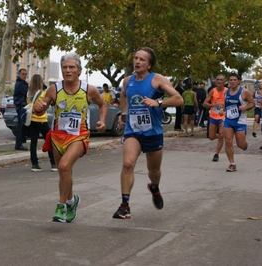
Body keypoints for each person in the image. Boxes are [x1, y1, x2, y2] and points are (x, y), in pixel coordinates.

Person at [33, 52, 107, 223]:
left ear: (79, 70)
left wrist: (102, 121)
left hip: (79, 135)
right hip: (58, 136)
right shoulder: (54, 89)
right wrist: (40, 107)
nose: (68, 70)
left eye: (71, 67)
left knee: (65, 166)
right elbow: (41, 109)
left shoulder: (89, 89)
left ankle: (61, 206)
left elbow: (103, 104)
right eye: (65, 67)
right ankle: (72, 201)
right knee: (64, 172)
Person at [113, 47, 183, 219]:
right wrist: (123, 113)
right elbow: (123, 95)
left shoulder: (157, 79)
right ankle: (124, 205)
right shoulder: (127, 81)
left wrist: (158, 102)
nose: (137, 62)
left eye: (142, 59)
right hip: (133, 131)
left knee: (154, 171)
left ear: (149, 65)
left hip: (153, 132)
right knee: (128, 163)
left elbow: (179, 99)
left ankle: (155, 187)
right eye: (136, 58)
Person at [223, 73, 254, 172]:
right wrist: (221, 110)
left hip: (240, 121)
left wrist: (245, 108)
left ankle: (244, 144)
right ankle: (232, 164)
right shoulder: (226, 92)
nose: (232, 81)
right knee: (228, 141)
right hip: (228, 120)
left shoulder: (244, 92)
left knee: (240, 145)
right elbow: (225, 105)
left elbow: (252, 103)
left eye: (234, 80)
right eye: (230, 80)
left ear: (238, 81)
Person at [26, 74, 57, 172]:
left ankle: (34, 164)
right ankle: (53, 163)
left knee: (33, 142)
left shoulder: (28, 94)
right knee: (49, 141)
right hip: (42, 120)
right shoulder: (44, 93)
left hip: (31, 120)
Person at [203, 74, 227, 162]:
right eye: (218, 80)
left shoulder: (227, 91)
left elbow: (230, 103)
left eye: (221, 80)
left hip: (223, 116)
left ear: (224, 82)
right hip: (213, 116)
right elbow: (205, 103)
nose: (219, 81)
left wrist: (224, 108)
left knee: (221, 134)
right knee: (211, 137)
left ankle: (217, 154)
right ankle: (221, 137)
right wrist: (214, 105)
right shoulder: (212, 91)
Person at [13, 68, 29, 151]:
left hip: (22, 105)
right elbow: (28, 92)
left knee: (22, 125)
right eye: (23, 74)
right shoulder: (20, 84)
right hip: (21, 106)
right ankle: (18, 144)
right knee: (20, 125)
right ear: (19, 74)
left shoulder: (22, 83)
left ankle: (21, 142)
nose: (25, 76)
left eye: (26, 74)